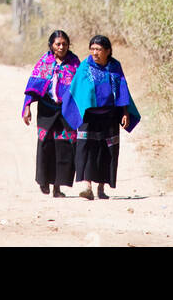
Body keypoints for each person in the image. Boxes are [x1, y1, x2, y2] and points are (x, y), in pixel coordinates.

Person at [60, 33, 140, 200]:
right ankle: (87, 187)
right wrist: (77, 112)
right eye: (92, 49)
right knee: (86, 150)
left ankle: (101, 188)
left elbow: (122, 89)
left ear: (108, 51)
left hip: (110, 116)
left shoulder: (115, 66)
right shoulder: (85, 67)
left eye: (98, 49)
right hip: (89, 117)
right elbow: (76, 90)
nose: (95, 53)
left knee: (107, 151)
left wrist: (125, 112)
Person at [22, 29, 80, 197]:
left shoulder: (74, 63)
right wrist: (27, 107)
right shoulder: (44, 62)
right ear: (51, 45)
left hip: (67, 110)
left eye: (64, 44)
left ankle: (57, 187)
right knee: (45, 144)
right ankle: (44, 181)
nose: (61, 47)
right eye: (58, 44)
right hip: (47, 109)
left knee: (64, 146)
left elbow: (81, 88)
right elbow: (33, 86)